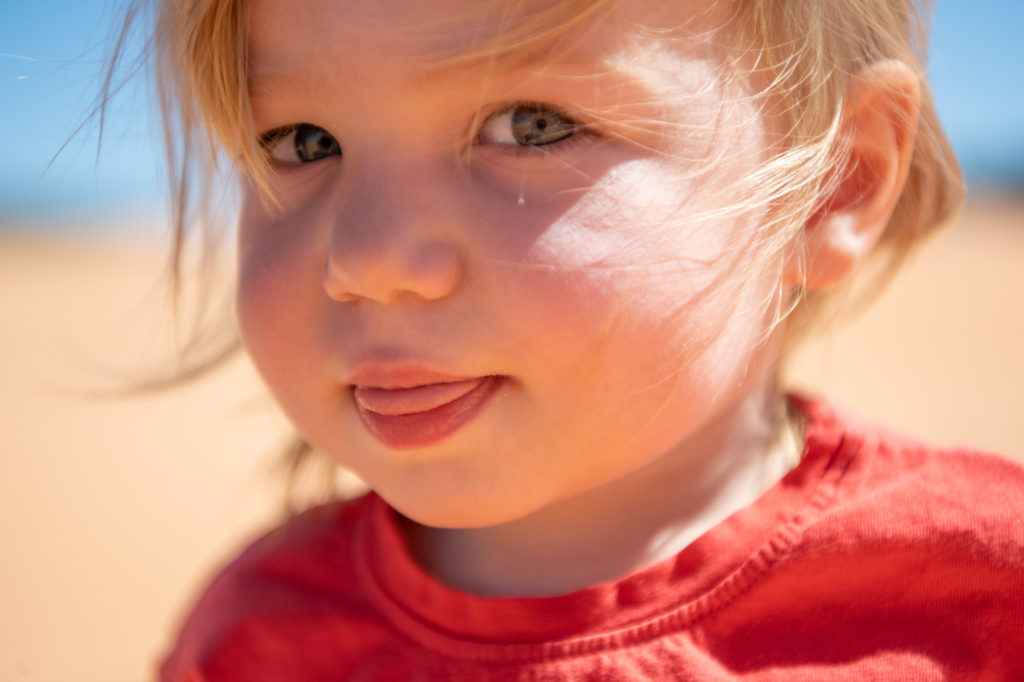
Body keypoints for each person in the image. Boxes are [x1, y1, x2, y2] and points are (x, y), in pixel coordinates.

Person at [138, 0, 1024, 678]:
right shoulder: (254, 638)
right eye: (304, 141)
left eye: (533, 125)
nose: (365, 258)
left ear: (838, 181)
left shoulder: (980, 588)